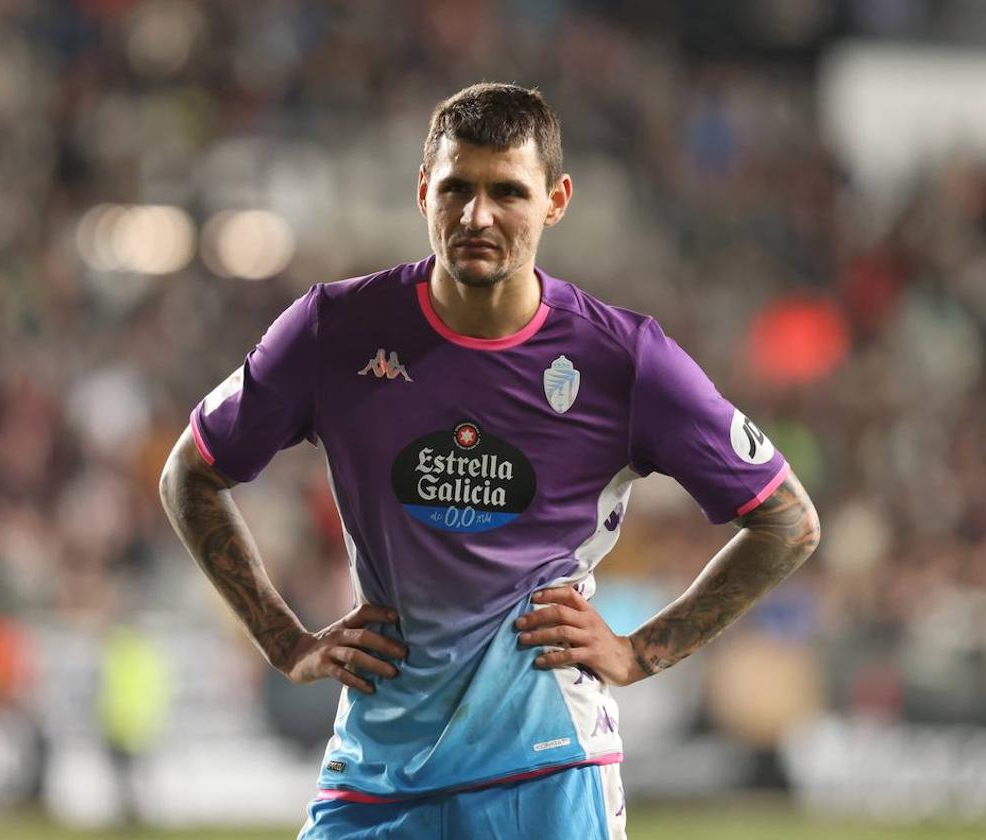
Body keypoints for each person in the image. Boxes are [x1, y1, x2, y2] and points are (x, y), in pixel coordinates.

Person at [159, 82, 820, 840]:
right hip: (378, 768)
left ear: (556, 200)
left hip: (547, 771)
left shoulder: (623, 360)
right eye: (457, 189)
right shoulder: (335, 330)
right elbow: (191, 473)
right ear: (422, 192)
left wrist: (643, 651)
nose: (477, 216)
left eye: (507, 191)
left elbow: (787, 521)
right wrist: (284, 641)